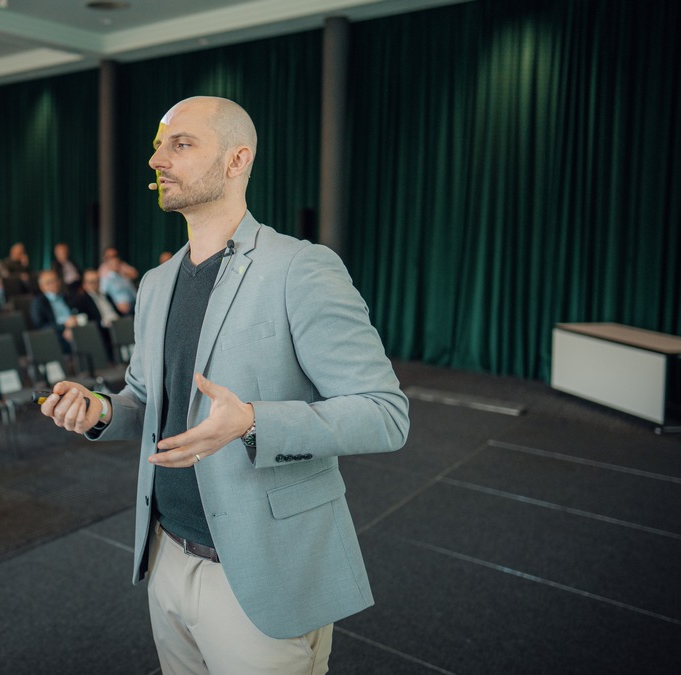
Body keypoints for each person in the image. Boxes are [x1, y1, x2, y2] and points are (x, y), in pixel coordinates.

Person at [39, 96, 409, 675]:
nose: (158, 158)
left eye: (181, 144)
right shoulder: (158, 283)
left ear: (238, 160)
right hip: (165, 555)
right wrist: (100, 411)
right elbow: (145, 403)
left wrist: (254, 423)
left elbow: (385, 414)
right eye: (159, 145)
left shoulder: (300, 267)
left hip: (262, 571)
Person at [29, 269, 77, 351]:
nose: (54, 284)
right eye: (49, 282)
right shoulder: (38, 302)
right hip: (56, 334)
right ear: (42, 286)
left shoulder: (66, 297)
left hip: (75, 328)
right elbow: (40, 326)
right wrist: (64, 326)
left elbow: (75, 312)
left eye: (55, 281)